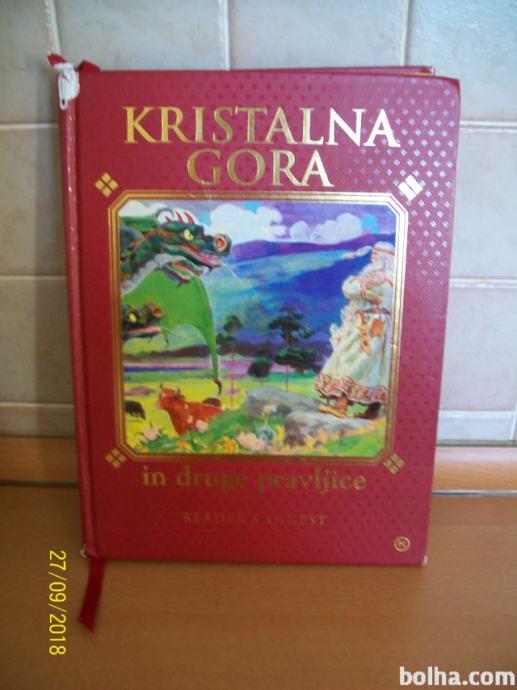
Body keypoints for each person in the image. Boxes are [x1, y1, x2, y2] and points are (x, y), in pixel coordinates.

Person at [314, 241, 395, 419]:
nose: (373, 256)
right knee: (377, 365)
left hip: (370, 324)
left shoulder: (378, 278)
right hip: (382, 325)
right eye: (373, 253)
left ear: (385, 258)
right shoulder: (391, 278)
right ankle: (373, 410)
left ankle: (341, 407)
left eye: (377, 254)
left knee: (352, 359)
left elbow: (349, 289)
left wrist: (358, 282)